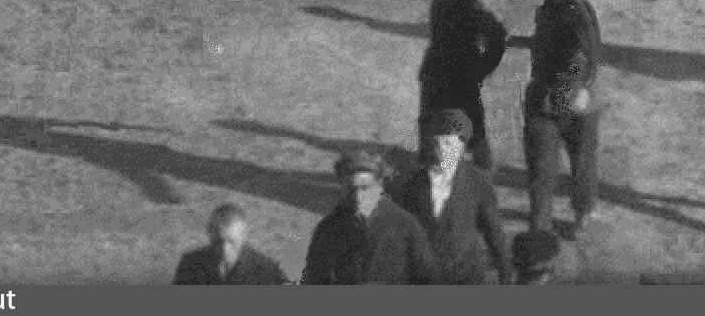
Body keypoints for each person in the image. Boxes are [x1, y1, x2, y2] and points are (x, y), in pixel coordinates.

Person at [522, 0, 602, 235]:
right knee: (583, 162)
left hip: (553, 100)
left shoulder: (561, 9)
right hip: (583, 99)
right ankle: (581, 216)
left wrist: (564, 91)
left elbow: (578, 54)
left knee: (541, 171)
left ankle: (541, 230)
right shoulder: (581, 5)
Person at [390, 109, 514, 284]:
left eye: (448, 143)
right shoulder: (411, 182)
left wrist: (506, 273)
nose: (441, 150)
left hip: (465, 277)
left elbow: (493, 232)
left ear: (461, 147)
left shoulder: (477, 182)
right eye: (436, 143)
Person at [418, 0, 508, 165]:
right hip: (458, 73)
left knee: (436, 125)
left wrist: (482, 66)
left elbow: (495, 33)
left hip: (446, 74)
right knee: (471, 122)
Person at [302, 149, 440, 284]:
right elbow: (314, 280)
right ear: (342, 187)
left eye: (365, 188)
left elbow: (428, 278)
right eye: (351, 188)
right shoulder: (329, 229)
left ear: (380, 186)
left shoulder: (404, 225)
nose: (358, 197)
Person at [172, 203, 288, 284]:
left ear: (243, 235)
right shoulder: (190, 265)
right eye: (218, 241)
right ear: (209, 233)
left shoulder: (265, 270)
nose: (225, 249)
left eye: (232, 242)